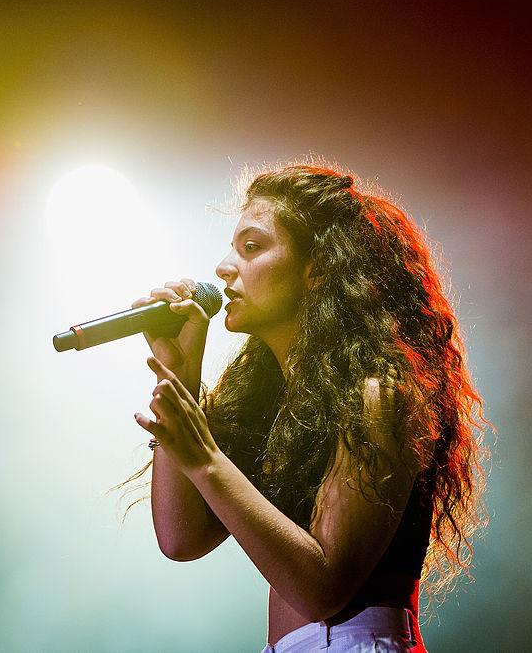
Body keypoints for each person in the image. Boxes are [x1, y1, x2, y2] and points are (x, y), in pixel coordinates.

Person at [125, 163, 492, 652]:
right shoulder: (275, 403)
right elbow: (180, 538)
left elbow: (322, 589)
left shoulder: (378, 393)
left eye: (251, 247)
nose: (223, 267)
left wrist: (206, 458)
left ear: (318, 265)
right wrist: (180, 374)